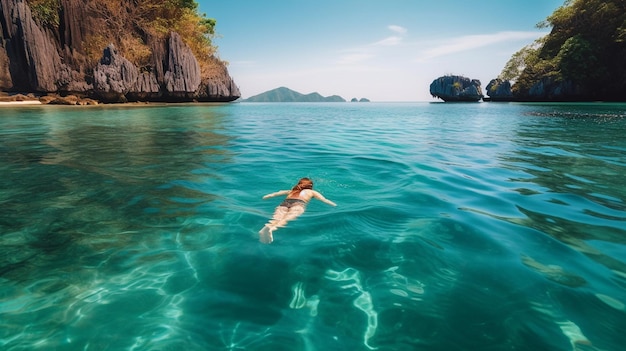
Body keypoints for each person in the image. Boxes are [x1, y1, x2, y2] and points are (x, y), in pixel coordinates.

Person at [259, 177, 336, 243]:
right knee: (285, 220)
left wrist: (266, 197)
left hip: (285, 203)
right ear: (311, 186)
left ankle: (268, 226)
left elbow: (275, 194)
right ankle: (272, 229)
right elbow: (324, 199)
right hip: (298, 204)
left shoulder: (291, 191)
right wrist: (334, 205)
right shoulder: (312, 192)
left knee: (276, 218)